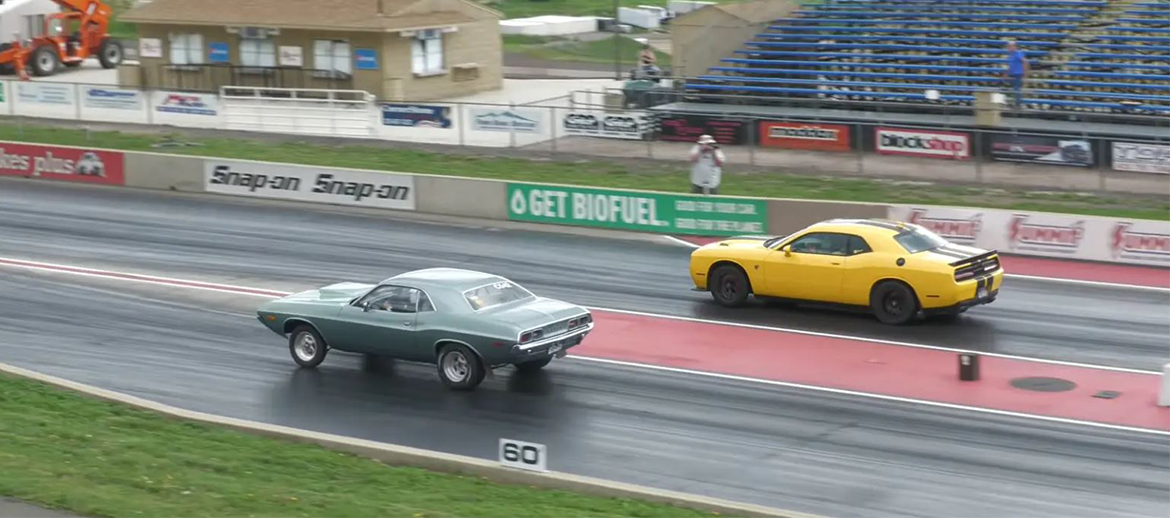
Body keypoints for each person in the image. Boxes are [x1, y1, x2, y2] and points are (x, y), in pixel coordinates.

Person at [1003, 40, 1029, 109]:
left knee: (1017, 90)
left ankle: (1018, 105)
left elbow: (1025, 62)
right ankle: (1014, 104)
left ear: (1015, 47)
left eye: (1011, 46)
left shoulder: (1018, 53)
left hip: (1018, 74)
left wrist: (1025, 73)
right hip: (1012, 74)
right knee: (1014, 90)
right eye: (1008, 46)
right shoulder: (1010, 55)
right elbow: (1009, 66)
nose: (1009, 48)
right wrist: (1006, 74)